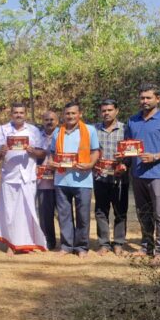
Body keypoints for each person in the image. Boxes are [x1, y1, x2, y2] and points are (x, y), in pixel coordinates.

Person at [126, 84, 160, 265]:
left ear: (158, 99)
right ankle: (146, 247)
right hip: (137, 174)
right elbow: (128, 146)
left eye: (148, 97)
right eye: (142, 98)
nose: (144, 101)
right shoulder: (132, 120)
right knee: (143, 212)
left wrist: (156, 156)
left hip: (158, 174)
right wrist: (123, 159)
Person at [0, 102, 48, 254]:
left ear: (25, 114)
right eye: (16, 112)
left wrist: (33, 152)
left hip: (28, 175)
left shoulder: (33, 130)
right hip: (9, 176)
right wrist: (1, 152)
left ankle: (26, 244)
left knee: (27, 211)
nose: (18, 115)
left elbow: (42, 153)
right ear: (11, 114)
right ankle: (11, 244)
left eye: (21, 112)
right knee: (9, 211)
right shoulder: (3, 129)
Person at [50, 102, 100, 258]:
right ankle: (66, 245)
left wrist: (90, 164)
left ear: (80, 114)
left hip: (82, 179)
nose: (70, 116)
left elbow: (95, 151)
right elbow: (52, 153)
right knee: (63, 215)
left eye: (73, 113)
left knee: (83, 215)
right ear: (63, 115)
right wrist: (52, 162)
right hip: (61, 180)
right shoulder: (58, 131)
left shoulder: (90, 130)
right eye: (67, 113)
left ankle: (81, 246)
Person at [93, 99, 130, 256]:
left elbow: (132, 151)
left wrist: (125, 164)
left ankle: (119, 243)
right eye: (104, 110)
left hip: (120, 178)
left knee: (120, 211)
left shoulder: (126, 129)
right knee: (101, 211)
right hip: (100, 177)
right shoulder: (94, 129)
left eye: (109, 110)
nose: (106, 113)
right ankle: (104, 243)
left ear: (117, 111)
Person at [35, 110, 59, 250]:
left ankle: (68, 242)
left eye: (52, 120)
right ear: (42, 121)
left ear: (57, 121)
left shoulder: (62, 134)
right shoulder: (36, 136)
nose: (49, 122)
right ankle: (48, 241)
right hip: (43, 181)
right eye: (46, 120)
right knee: (45, 214)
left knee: (63, 214)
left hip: (61, 180)